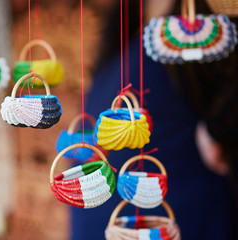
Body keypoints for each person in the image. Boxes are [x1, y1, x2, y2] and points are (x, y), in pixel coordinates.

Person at [70, 0, 236, 239]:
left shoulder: (204, 23)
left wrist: (217, 129)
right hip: (100, 215)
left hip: (179, 202)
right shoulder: (126, 18)